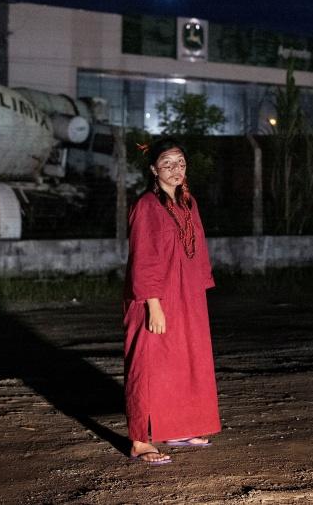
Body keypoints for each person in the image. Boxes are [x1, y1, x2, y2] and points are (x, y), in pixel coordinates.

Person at [123, 138, 221, 465]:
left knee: (184, 362)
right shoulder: (146, 206)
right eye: (167, 163)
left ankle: (179, 427)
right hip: (155, 296)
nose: (175, 169)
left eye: (180, 162)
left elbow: (198, 251)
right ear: (154, 169)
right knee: (148, 366)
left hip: (186, 296)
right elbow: (144, 258)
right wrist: (153, 304)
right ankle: (140, 440)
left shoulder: (188, 203)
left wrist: (196, 295)